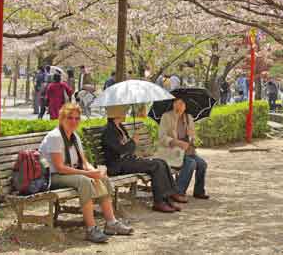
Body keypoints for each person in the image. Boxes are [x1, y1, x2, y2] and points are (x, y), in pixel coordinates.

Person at [39, 103, 133, 243]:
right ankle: (91, 229)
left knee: (103, 178)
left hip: (70, 173)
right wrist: (88, 174)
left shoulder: (74, 136)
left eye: (77, 118)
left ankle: (111, 223)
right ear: (61, 118)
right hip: (53, 177)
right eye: (70, 118)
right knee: (84, 181)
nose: (74, 121)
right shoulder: (55, 137)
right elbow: (59, 168)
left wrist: (93, 171)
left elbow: (83, 161)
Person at [102, 105, 185, 213]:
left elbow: (128, 150)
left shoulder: (120, 127)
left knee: (161, 162)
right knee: (156, 166)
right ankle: (159, 202)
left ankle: (168, 197)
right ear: (116, 113)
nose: (126, 113)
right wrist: (133, 141)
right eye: (123, 111)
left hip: (128, 161)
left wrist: (132, 144)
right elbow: (120, 151)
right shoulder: (109, 131)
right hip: (118, 165)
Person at [158, 98, 209, 200]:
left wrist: (191, 136)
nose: (179, 106)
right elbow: (162, 137)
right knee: (191, 163)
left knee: (202, 164)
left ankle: (198, 191)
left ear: (185, 106)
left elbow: (193, 139)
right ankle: (178, 192)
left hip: (187, 151)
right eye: (177, 103)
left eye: (182, 103)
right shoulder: (166, 117)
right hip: (173, 152)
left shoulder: (189, 117)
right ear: (173, 105)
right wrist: (177, 142)